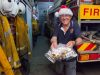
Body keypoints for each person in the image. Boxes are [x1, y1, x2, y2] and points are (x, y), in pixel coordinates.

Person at [50, 5, 82, 75]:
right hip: (59, 56)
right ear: (60, 17)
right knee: (58, 71)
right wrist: (54, 42)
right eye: (62, 16)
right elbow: (54, 37)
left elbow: (80, 39)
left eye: (67, 15)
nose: (64, 18)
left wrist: (73, 42)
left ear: (70, 17)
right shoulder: (57, 26)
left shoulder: (75, 25)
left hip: (71, 57)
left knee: (71, 72)